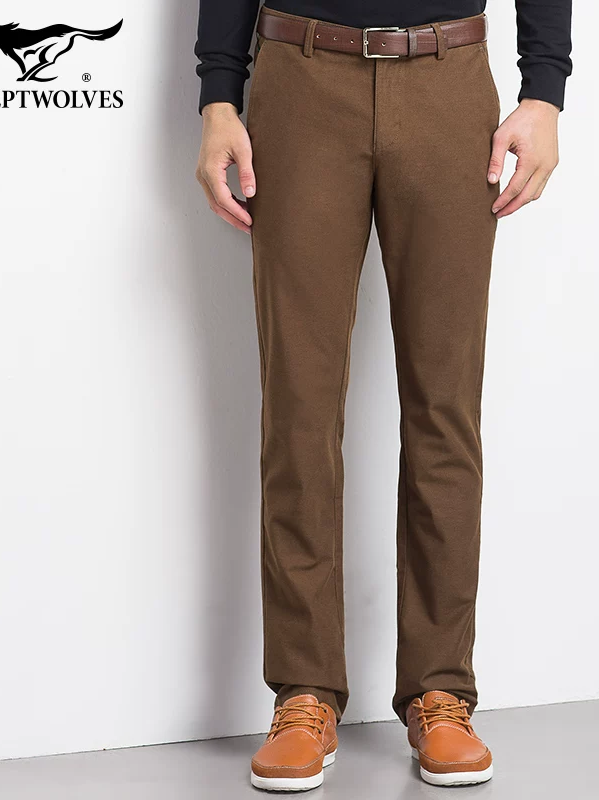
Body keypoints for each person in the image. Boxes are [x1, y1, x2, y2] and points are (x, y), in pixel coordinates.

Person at [194, 0, 571, 791]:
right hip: (300, 79)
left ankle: (441, 690)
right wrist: (218, 94)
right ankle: (303, 691)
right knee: (298, 406)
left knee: (444, 407)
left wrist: (545, 87)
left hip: (448, 82)